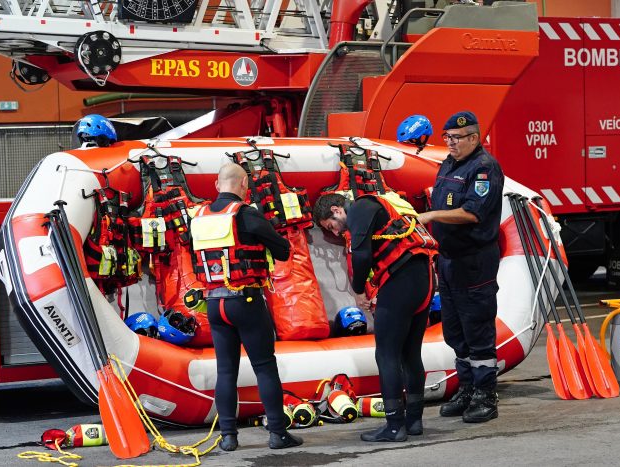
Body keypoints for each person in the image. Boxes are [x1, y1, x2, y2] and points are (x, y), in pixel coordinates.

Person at [189, 163, 302, 451]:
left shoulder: (198, 217)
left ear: (217, 185)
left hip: (214, 303)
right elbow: (283, 250)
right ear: (244, 185)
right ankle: (278, 433)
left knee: (226, 371)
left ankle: (228, 436)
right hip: (246, 301)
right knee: (264, 366)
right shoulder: (246, 214)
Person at [313, 191, 436, 442]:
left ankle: (394, 426)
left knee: (386, 355)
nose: (336, 232)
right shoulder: (381, 207)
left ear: (337, 210)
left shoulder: (360, 208)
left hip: (402, 282)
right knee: (410, 354)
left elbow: (362, 256)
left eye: (331, 226)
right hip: (423, 280)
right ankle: (414, 421)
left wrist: (359, 291)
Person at [417, 110, 504, 423]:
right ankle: (467, 388)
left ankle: (486, 395)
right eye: (447, 137)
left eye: (456, 138)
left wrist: (431, 216)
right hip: (449, 260)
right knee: (455, 331)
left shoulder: (484, 168)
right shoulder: (449, 164)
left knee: (478, 328)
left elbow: (472, 213)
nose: (450, 143)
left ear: (474, 138)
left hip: (474, 261)